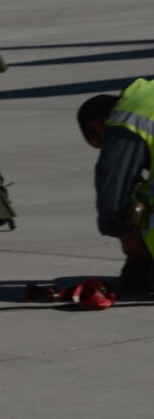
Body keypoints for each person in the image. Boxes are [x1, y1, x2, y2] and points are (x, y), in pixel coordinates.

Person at [80, 87, 154, 293]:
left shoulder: (127, 117)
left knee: (140, 202)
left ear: (98, 124)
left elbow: (113, 183)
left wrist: (124, 234)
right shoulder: (148, 96)